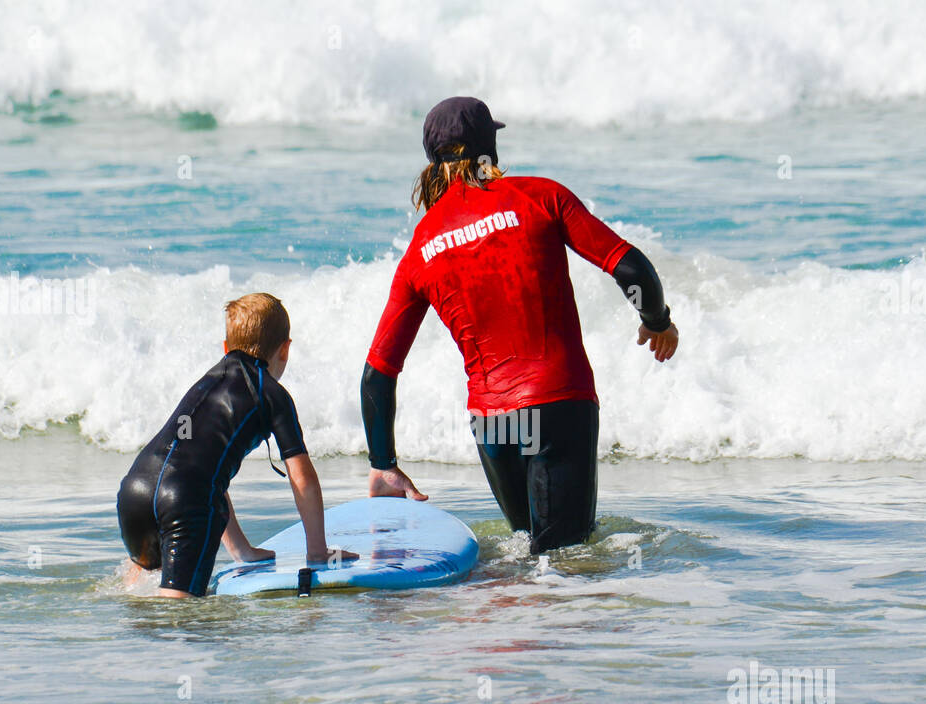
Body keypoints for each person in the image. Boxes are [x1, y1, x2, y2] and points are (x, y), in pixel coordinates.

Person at [361, 96, 677, 554]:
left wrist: (383, 462)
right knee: (564, 562)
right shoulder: (539, 195)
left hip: (492, 425)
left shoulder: (422, 246)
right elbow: (630, 269)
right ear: (490, 146)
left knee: (528, 550)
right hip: (558, 405)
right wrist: (658, 321)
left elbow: (378, 373)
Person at [117, 292, 356, 597]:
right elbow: (302, 478)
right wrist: (318, 551)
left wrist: (242, 551)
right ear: (285, 350)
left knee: (139, 589)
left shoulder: (204, 384)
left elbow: (199, 468)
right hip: (184, 500)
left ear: (226, 347)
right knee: (176, 615)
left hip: (134, 492)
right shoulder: (271, 395)